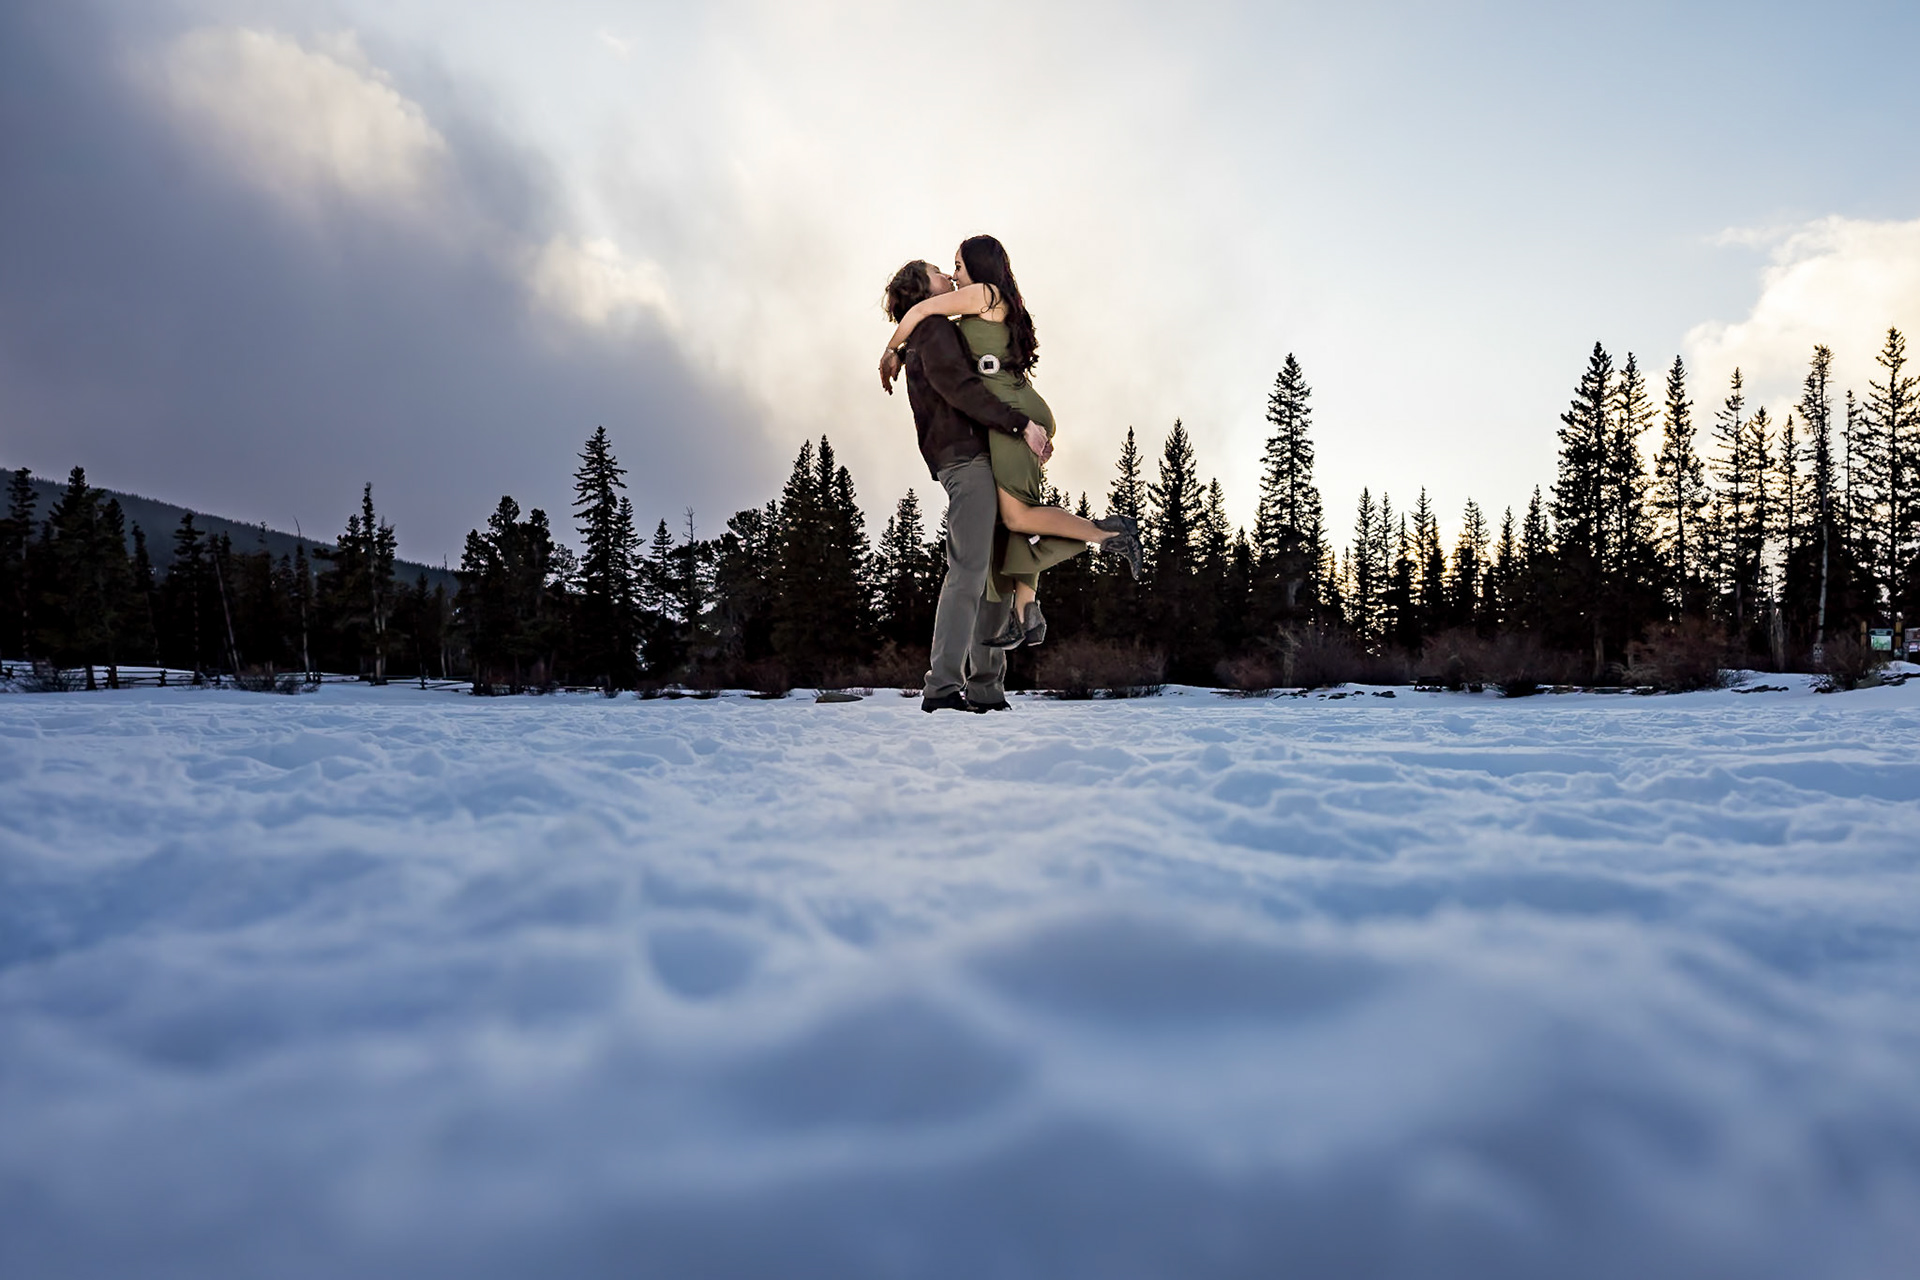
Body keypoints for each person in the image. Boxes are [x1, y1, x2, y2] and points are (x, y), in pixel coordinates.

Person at [880, 237, 1141, 650]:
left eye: (959, 264)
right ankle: (1025, 610)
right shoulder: (978, 303)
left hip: (1014, 410)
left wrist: (890, 350)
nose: (953, 273)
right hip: (1013, 405)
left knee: (1018, 517)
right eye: (946, 268)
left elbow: (921, 309)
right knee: (1016, 516)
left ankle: (1109, 533)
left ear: (980, 267)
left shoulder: (983, 293)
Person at [881, 259, 1046, 712]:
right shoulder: (932, 331)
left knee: (993, 574)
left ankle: (987, 688)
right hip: (967, 460)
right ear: (921, 288)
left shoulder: (927, 333)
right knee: (970, 570)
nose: (950, 277)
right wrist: (1018, 424)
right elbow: (960, 387)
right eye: (939, 271)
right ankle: (942, 686)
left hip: (976, 457)